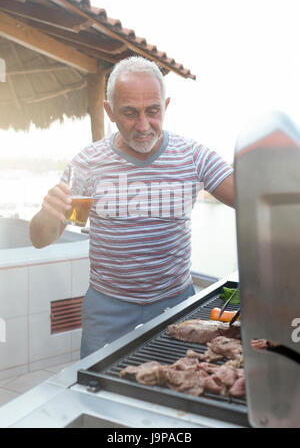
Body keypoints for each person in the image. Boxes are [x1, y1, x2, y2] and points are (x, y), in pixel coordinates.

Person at [29, 56, 234, 359]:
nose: (143, 125)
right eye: (129, 113)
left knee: (184, 385)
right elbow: (41, 238)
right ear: (109, 111)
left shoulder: (192, 156)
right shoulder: (87, 164)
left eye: (152, 111)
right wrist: (49, 212)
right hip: (107, 310)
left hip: (175, 303)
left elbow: (253, 201)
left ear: (165, 106)